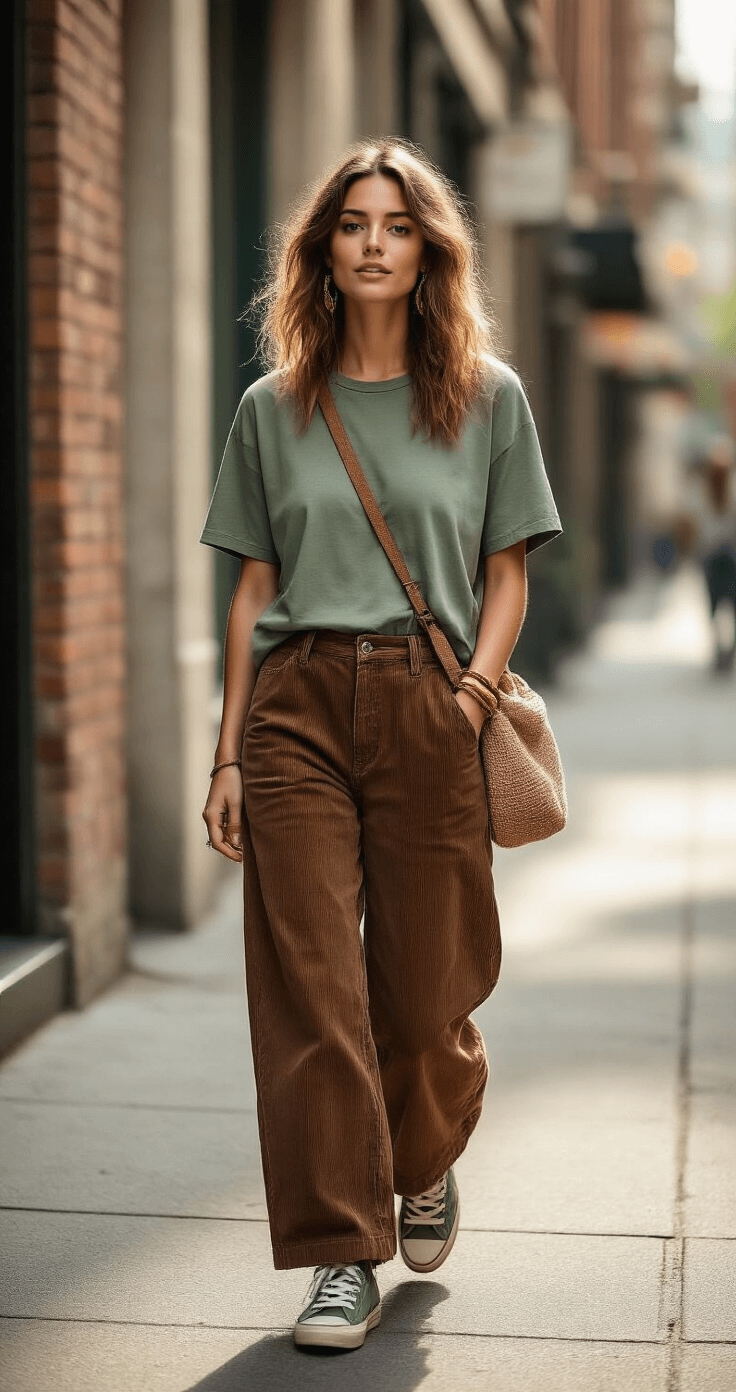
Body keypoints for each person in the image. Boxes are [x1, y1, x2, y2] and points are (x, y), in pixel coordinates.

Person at [200, 139, 562, 1351]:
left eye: (396, 225)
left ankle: (425, 1150)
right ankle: (339, 1256)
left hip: (430, 701)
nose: (372, 242)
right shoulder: (272, 408)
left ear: (426, 253)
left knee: (424, 995)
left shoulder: (486, 397)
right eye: (352, 222)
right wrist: (227, 754)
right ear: (322, 249)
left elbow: (505, 573)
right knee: (312, 991)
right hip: (294, 708)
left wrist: (470, 697)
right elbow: (253, 592)